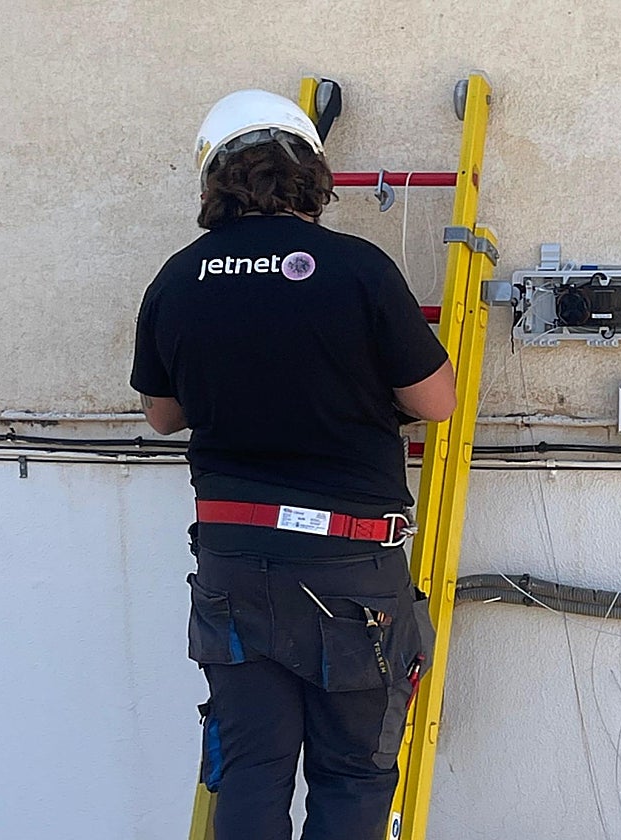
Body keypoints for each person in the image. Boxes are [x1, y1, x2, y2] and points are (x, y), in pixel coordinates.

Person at [130, 89, 454, 840]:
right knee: (352, 775)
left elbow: (161, 413)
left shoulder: (178, 278)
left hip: (236, 564)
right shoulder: (358, 270)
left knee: (249, 773)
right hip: (350, 567)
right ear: (314, 175)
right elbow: (436, 401)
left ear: (211, 178)